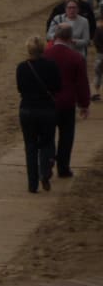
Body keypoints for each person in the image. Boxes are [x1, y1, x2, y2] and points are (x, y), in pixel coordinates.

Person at [43, 23, 90, 179]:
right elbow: (82, 83)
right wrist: (84, 104)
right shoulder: (76, 57)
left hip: (48, 102)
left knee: (47, 135)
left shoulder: (45, 54)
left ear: (56, 36)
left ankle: (47, 161)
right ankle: (63, 168)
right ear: (70, 38)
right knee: (66, 136)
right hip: (67, 102)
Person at [16, 36, 61, 193]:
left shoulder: (22, 67)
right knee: (47, 142)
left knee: (30, 146)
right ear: (43, 49)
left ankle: (32, 183)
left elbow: (20, 89)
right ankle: (45, 172)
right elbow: (57, 87)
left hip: (27, 109)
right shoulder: (52, 65)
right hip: (46, 109)